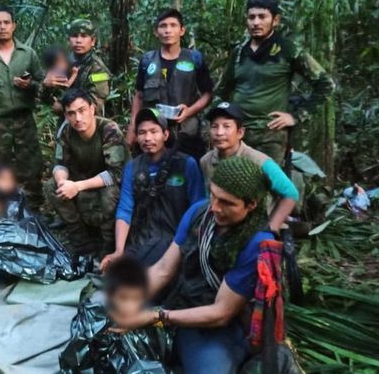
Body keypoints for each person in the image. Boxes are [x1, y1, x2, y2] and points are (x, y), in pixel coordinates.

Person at [109, 157, 275, 374]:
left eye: (227, 202)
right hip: (183, 301)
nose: (215, 207)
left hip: (217, 324)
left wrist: (157, 317)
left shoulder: (256, 244)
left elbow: (221, 312)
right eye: (213, 195)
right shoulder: (199, 212)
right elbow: (163, 270)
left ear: (251, 204)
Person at [215, 0, 335, 164]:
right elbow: (221, 91)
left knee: (267, 186)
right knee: (232, 184)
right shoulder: (239, 52)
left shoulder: (288, 50)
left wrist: (296, 116)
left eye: (262, 17)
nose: (256, 22)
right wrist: (220, 123)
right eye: (251, 17)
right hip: (238, 134)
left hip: (270, 135)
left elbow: (326, 85)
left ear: (275, 20)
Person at [101, 108, 205, 269]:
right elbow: (125, 209)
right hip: (142, 240)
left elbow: (198, 207)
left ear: (165, 135)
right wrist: (119, 250)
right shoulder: (132, 167)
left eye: (153, 131)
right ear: (136, 136)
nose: (148, 138)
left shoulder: (186, 164)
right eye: (142, 132)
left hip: (176, 241)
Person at [0, 5, 45, 210]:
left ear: (14, 26)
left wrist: (29, 85)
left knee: (31, 164)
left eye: (6, 23)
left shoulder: (27, 53)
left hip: (24, 118)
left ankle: (34, 210)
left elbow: (43, 84)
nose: (2, 27)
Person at [44, 89, 129, 256]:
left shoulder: (108, 129)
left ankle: (109, 246)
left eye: (82, 110)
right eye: (71, 114)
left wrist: (77, 186)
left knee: (110, 194)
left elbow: (115, 173)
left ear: (92, 109)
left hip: (109, 184)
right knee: (51, 186)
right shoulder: (66, 132)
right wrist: (62, 183)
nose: (78, 118)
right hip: (82, 181)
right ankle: (81, 243)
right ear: (66, 116)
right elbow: (60, 164)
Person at [127, 9, 214, 160]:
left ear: (182, 30)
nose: (168, 30)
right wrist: (133, 127)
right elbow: (139, 95)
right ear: (156, 31)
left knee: (186, 174)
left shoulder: (194, 59)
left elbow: (208, 94)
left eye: (173, 25)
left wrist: (189, 111)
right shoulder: (148, 61)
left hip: (186, 132)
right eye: (163, 26)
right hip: (153, 133)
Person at [200, 102, 298, 232]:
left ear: (240, 132)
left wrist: (272, 227)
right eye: (214, 127)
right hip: (221, 224)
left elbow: (291, 194)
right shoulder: (206, 161)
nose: (219, 132)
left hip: (254, 227)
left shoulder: (259, 161)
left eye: (226, 126)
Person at [42, 19, 111, 115]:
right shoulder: (63, 61)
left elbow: (95, 106)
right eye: (74, 36)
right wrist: (46, 85)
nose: (78, 41)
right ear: (68, 40)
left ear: (93, 41)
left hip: (88, 125)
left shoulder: (98, 70)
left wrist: (64, 108)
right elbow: (47, 99)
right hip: (66, 123)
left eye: (84, 36)